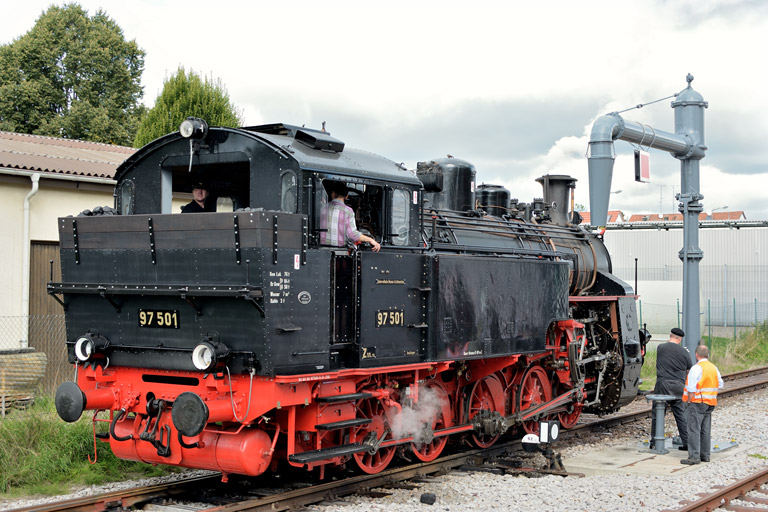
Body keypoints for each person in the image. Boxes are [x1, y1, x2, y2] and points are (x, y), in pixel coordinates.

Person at [680, 344, 723, 465]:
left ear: (696, 355)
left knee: (693, 429)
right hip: (710, 402)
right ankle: (705, 455)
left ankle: (694, 456)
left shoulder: (696, 368)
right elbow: (720, 384)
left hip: (697, 402)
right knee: (705, 429)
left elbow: (691, 387)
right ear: (707, 355)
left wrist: (689, 400)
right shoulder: (713, 367)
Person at [651, 327, 693, 450]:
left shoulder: (661, 348)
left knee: (658, 413)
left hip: (663, 385)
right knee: (681, 414)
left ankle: (654, 442)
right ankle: (687, 443)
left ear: (670, 336)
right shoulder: (684, 352)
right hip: (679, 386)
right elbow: (689, 369)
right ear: (680, 339)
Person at [319, 181, 380, 251]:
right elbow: (352, 235)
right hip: (339, 251)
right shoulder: (348, 211)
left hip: (322, 250)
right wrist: (370, 240)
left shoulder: (322, 208)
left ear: (332, 194)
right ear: (347, 196)